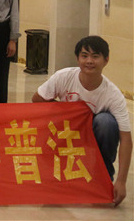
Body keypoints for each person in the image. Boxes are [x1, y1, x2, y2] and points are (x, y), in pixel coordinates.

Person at [32, 36, 131, 206]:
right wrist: (67, 112)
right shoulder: (63, 76)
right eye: (84, 56)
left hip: (93, 134)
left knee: (106, 123)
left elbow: (126, 139)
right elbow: (37, 99)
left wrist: (121, 181)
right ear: (78, 58)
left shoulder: (113, 95)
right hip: (65, 132)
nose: (89, 61)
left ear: (106, 60)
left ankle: (103, 176)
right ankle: (57, 173)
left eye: (95, 56)